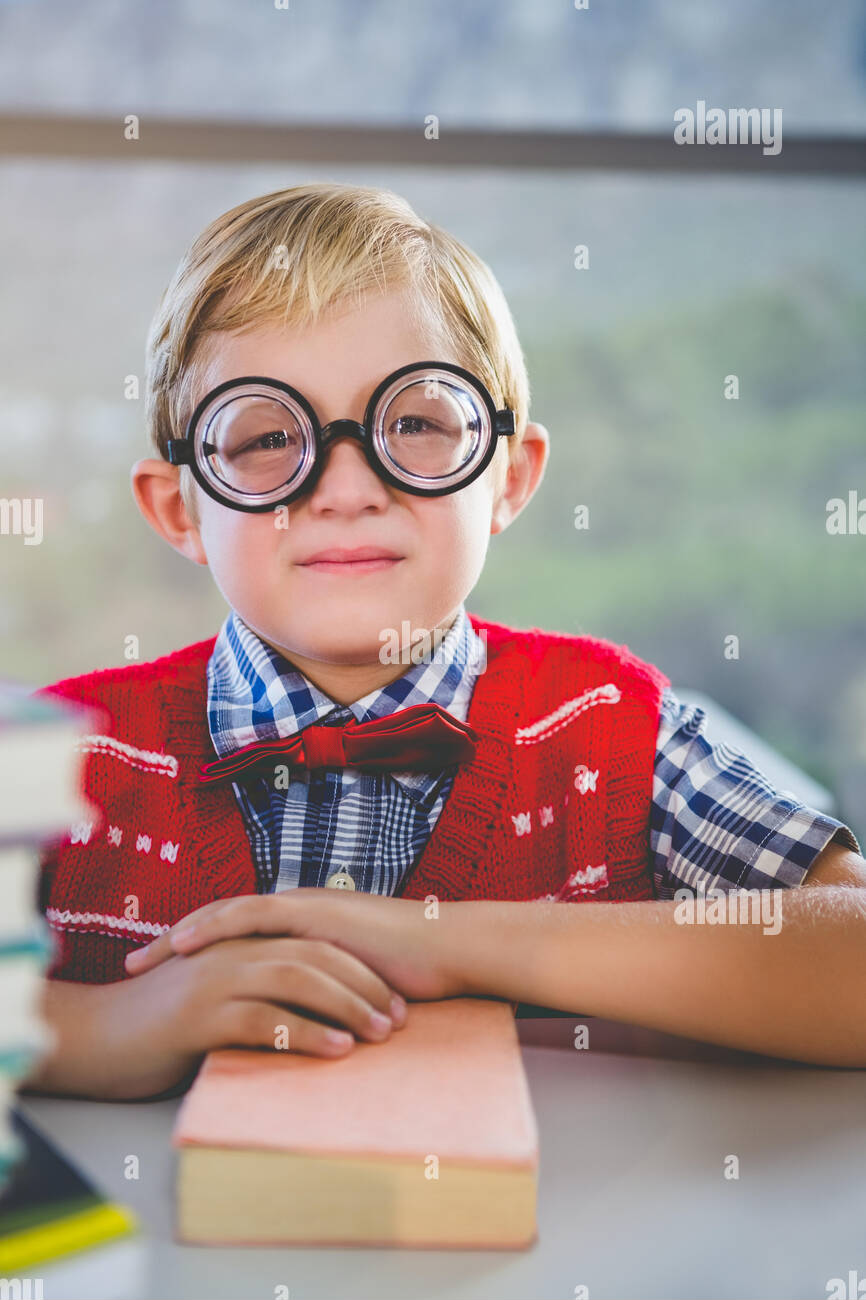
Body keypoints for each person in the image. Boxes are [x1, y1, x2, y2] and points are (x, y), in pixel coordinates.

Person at [26, 183, 866, 1100]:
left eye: (416, 424)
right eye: (267, 436)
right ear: (177, 506)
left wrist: (442, 941)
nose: (345, 489)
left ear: (508, 477)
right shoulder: (63, 752)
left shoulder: (612, 731)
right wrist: (93, 1028)